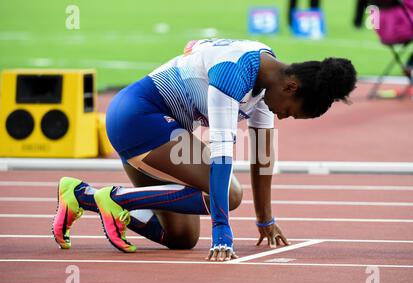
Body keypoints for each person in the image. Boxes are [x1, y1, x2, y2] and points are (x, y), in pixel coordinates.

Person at [52, 38, 356, 262]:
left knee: (181, 237)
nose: (282, 116)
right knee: (231, 194)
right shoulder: (234, 75)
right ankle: (115, 200)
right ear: (291, 88)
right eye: (289, 112)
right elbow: (223, 155)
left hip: (162, 129)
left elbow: (263, 155)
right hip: (139, 117)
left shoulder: (272, 82)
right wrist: (222, 232)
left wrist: (265, 220)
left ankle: (81, 196)